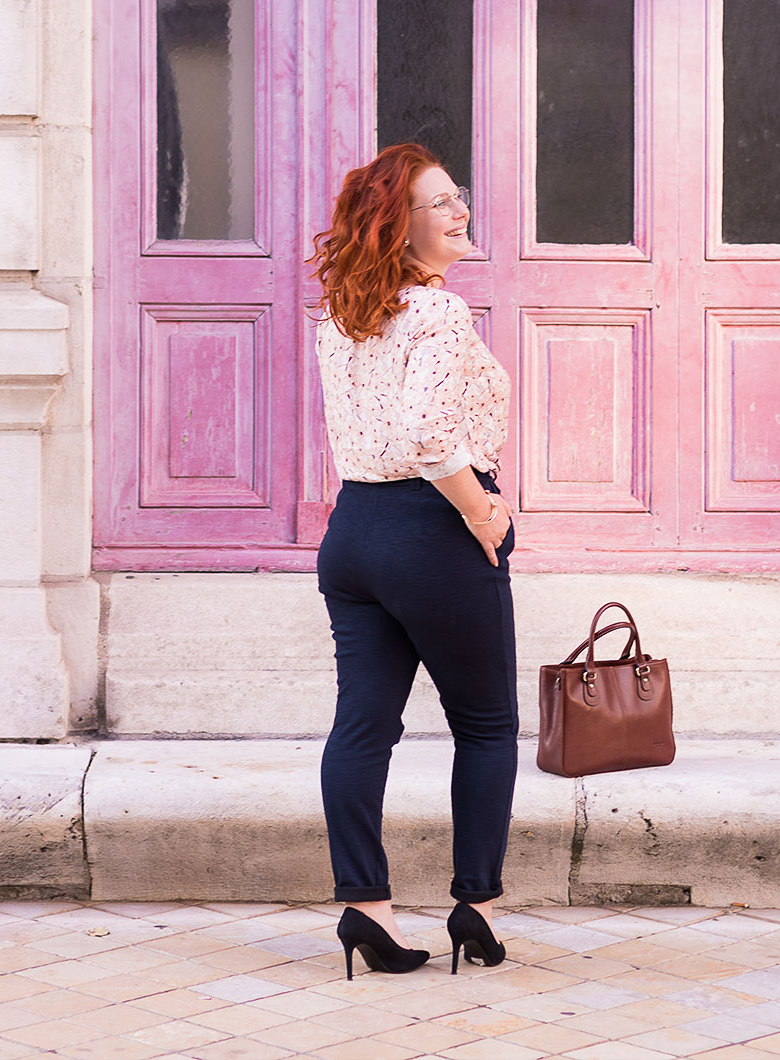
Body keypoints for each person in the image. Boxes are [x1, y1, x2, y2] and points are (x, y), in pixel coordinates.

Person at [309, 141, 518, 979]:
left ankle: (369, 912)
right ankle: (478, 907)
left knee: (362, 727)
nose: (458, 209)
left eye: (456, 194)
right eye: (438, 202)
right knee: (486, 725)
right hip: (431, 529)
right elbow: (429, 434)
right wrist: (483, 510)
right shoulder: (436, 314)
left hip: (354, 530)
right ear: (399, 226)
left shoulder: (344, 314)